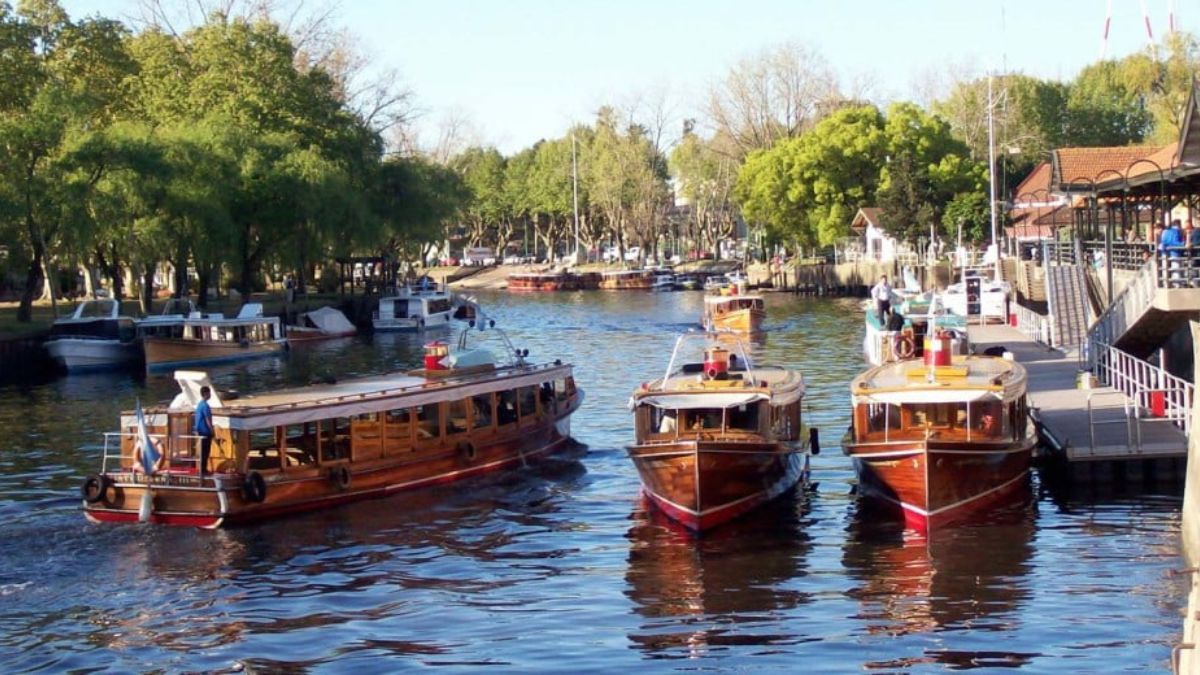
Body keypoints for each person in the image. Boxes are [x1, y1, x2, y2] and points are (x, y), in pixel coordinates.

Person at [194, 386, 214, 480]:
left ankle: (202, 469)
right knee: (205, 452)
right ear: (206, 394)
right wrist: (212, 431)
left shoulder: (199, 405)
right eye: (209, 393)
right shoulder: (205, 406)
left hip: (199, 431)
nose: (210, 395)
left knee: (203, 452)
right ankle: (203, 470)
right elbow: (208, 419)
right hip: (205, 432)